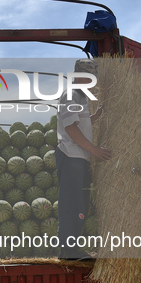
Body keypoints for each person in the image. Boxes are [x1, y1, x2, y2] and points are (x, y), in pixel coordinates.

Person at [56, 59, 111, 260]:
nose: (92, 81)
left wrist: (95, 116)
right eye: (88, 76)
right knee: (71, 203)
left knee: (79, 204)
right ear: (77, 75)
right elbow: (70, 128)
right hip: (71, 155)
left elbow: (78, 121)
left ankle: (72, 248)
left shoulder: (81, 96)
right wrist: (94, 150)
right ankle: (68, 250)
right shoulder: (71, 94)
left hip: (80, 156)